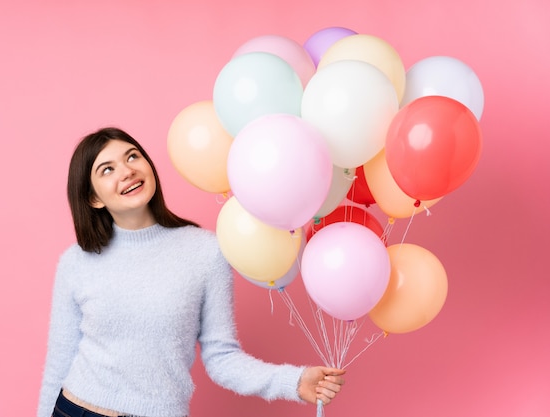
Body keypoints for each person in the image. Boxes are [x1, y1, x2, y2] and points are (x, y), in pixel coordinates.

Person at [37, 127, 345, 417]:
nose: (127, 170)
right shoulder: (76, 262)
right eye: (107, 169)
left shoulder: (205, 251)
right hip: (77, 408)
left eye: (132, 156)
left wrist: (293, 381)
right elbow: (59, 362)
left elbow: (222, 358)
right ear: (93, 197)